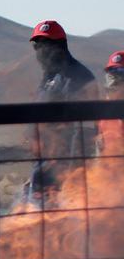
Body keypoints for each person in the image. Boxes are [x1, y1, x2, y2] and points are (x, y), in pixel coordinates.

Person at [24, 20, 97, 205]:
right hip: (43, 167)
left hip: (62, 171)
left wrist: (70, 173)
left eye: (45, 45)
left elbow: (84, 130)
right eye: (37, 45)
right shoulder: (49, 78)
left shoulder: (79, 78)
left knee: (56, 223)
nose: (40, 51)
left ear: (60, 46)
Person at [98, 51, 124, 158]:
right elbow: (100, 144)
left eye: (121, 71)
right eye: (111, 71)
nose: (114, 76)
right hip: (108, 168)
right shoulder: (104, 108)